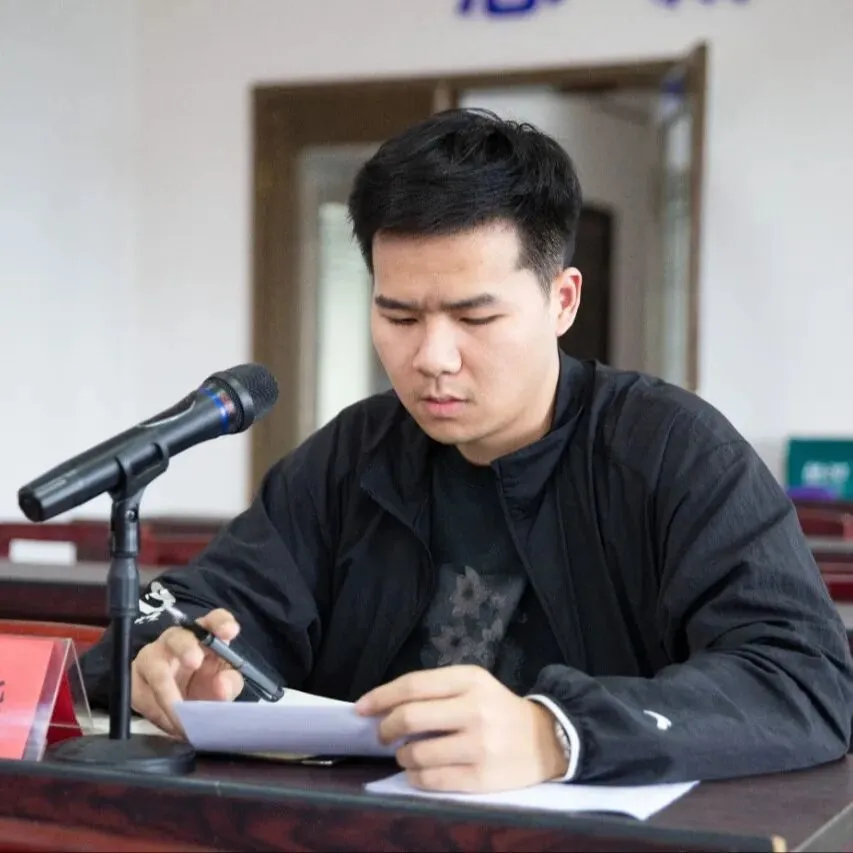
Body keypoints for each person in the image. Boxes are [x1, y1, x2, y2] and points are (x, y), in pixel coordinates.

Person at [80, 108, 853, 793]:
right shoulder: (353, 453)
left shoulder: (672, 451)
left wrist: (555, 733)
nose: (432, 357)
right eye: (398, 316)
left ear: (561, 300)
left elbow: (804, 678)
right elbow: (206, 605)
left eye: (474, 318)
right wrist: (174, 658)